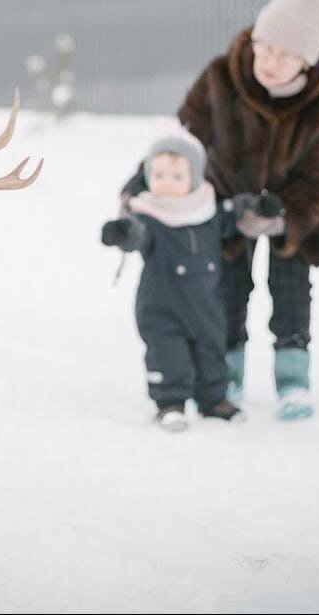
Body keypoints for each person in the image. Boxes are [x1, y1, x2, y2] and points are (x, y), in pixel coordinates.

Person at [175, 0, 319, 420]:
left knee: (290, 288)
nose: (269, 60)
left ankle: (293, 380)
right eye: (265, 46)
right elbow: (183, 139)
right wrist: (149, 186)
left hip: (294, 212)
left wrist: (284, 218)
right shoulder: (220, 77)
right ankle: (225, 373)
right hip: (228, 200)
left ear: (305, 63)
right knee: (229, 288)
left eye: (285, 54)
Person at [102, 135, 279, 431]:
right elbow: (136, 234)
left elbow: (236, 211)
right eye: (158, 175)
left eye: (176, 175)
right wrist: (120, 232)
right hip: (162, 305)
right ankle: (170, 403)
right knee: (167, 353)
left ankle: (213, 400)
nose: (166, 182)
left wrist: (261, 206)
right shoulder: (148, 215)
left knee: (211, 350)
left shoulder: (207, 209)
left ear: (194, 177)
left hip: (205, 303)